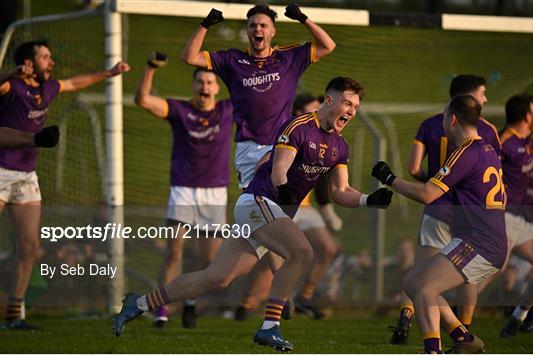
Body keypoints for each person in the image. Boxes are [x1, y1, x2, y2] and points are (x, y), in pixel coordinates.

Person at [113, 77, 393, 351]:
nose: (352, 111)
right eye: (348, 103)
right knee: (303, 252)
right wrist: (283, 188)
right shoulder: (298, 126)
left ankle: (138, 304)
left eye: (356, 107)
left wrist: (369, 199)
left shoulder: (340, 146)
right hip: (257, 203)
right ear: (329, 100)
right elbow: (278, 169)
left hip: (269, 214)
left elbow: (340, 191)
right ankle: (270, 326)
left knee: (216, 278)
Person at [0, 40, 129, 329]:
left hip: (26, 176)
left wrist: (108, 73)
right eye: (45, 57)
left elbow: (73, 82)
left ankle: (14, 314)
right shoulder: (13, 87)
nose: (52, 62)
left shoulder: (47, 88)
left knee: (30, 246)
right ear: (28, 64)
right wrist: (10, 74)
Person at [372, 94, 507, 354]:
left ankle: (432, 349)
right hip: (482, 239)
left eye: (444, 116)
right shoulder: (487, 149)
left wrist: (390, 179)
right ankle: (464, 339)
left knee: (423, 287)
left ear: (452, 119)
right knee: (413, 282)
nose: (443, 121)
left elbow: (427, 194)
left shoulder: (466, 151)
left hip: (480, 242)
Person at [182, 3, 335, 189]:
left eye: (263, 25)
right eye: (252, 25)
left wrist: (303, 19)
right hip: (248, 146)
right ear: (247, 31)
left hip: (283, 143)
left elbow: (328, 45)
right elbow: (189, 57)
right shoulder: (232, 60)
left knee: (278, 200)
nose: (258, 29)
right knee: (251, 204)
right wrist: (205, 24)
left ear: (273, 32)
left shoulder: (289, 57)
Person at [134, 52, 233, 328]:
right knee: (173, 253)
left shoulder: (227, 110)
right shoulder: (180, 110)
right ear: (194, 86)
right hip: (183, 191)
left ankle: (189, 301)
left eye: (210, 82)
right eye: (200, 81)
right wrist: (151, 67)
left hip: (214, 193)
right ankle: (161, 309)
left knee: (209, 260)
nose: (205, 86)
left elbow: (261, 103)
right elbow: (142, 100)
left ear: (216, 87)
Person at [234, 93, 341, 320]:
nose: (318, 113)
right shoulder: (292, 132)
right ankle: (250, 303)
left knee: (327, 247)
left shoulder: (324, 138)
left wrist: (328, 209)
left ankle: (303, 298)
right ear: (299, 112)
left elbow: (322, 177)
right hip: (277, 204)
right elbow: (271, 166)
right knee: (272, 258)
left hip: (304, 208)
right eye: (313, 108)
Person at [486, 94, 533, 337]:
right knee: (491, 270)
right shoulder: (503, 141)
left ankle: (519, 318)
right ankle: (450, 313)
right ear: (528, 116)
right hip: (504, 217)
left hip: (522, 222)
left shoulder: (528, 141)